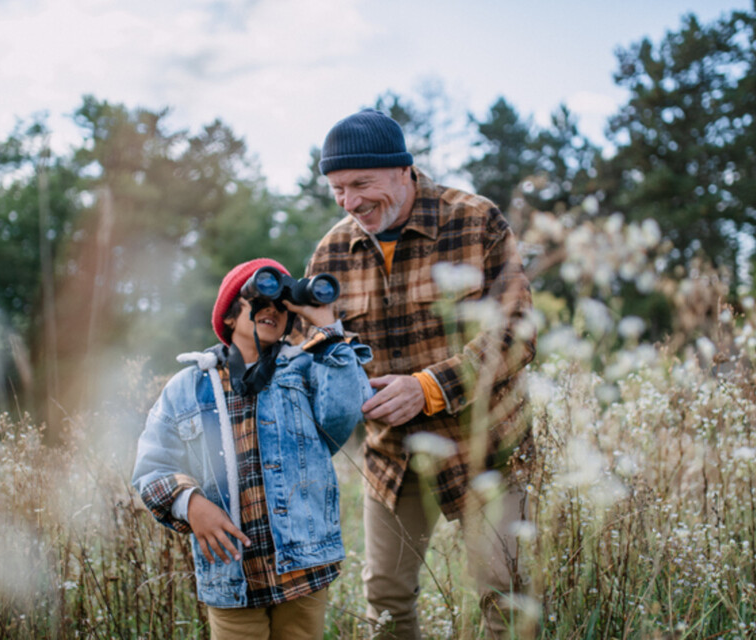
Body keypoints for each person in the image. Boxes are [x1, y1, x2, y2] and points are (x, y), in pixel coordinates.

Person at [307, 109, 537, 639]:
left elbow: (518, 332)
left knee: (504, 598)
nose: (350, 202)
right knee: (385, 602)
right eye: (337, 190)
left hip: (485, 450)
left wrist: (430, 388)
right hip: (392, 457)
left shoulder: (475, 220)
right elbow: (316, 356)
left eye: (361, 184)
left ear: (404, 169)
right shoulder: (332, 252)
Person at [131, 258, 373, 640]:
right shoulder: (187, 387)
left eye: (281, 303)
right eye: (258, 299)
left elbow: (346, 411)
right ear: (228, 316)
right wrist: (190, 504)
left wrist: (326, 327)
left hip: (303, 567)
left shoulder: (307, 371)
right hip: (231, 575)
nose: (271, 309)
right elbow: (151, 467)